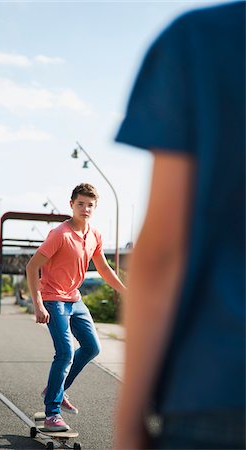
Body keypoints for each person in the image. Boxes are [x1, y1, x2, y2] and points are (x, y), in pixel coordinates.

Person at [114, 2, 245, 449]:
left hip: (218, 385)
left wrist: (129, 422)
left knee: (82, 348)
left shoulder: (199, 40)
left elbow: (163, 254)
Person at [26, 183, 126, 432]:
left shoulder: (94, 235)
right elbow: (31, 267)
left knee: (92, 347)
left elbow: (103, 269)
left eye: (90, 205)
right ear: (71, 205)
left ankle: (56, 389)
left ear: (95, 207)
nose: (85, 209)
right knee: (65, 353)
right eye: (80, 204)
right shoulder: (60, 234)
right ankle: (52, 413)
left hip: (74, 298)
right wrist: (38, 304)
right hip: (52, 298)